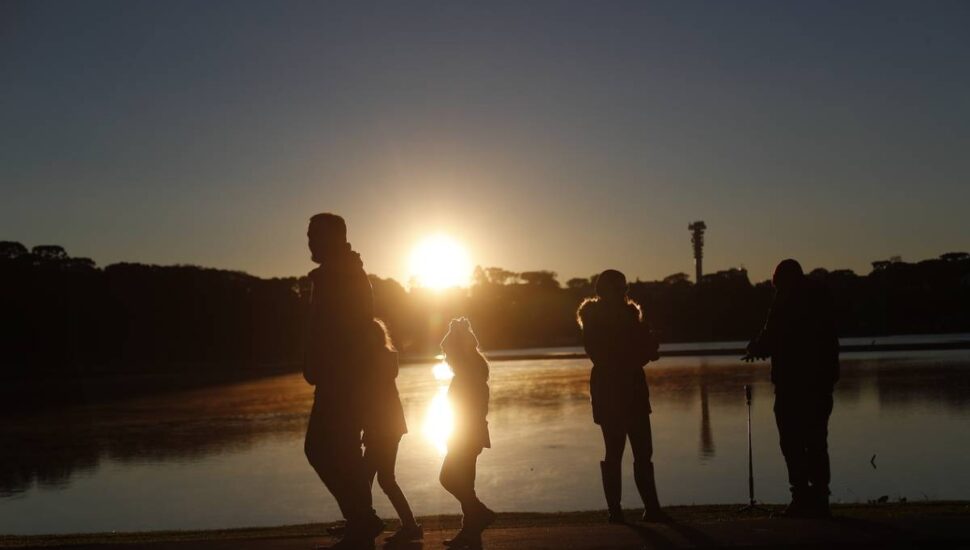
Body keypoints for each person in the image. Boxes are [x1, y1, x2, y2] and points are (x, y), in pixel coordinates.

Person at [302, 213, 384, 549]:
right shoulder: (339, 274)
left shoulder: (343, 276)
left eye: (314, 235)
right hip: (339, 380)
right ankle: (362, 518)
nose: (308, 241)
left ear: (334, 238)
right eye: (308, 235)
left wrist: (327, 366)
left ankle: (362, 520)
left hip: (343, 382)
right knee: (337, 451)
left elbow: (349, 331)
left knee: (323, 450)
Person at [745, 259, 840, 518]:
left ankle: (801, 497)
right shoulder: (820, 298)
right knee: (816, 441)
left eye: (777, 284)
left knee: (792, 442)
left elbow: (774, 335)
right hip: (820, 383)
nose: (776, 289)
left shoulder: (786, 301)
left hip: (793, 384)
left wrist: (756, 348)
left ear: (783, 281)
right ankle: (820, 498)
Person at [577, 269, 669, 524]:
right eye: (619, 288)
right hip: (610, 390)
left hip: (633, 389)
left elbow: (636, 354)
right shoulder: (594, 320)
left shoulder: (631, 318)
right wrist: (642, 350)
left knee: (643, 451)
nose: (624, 293)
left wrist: (649, 349)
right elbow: (603, 356)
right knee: (614, 451)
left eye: (625, 288)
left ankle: (652, 509)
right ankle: (615, 511)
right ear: (604, 291)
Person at [361, 319, 422, 542]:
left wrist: (368, 428)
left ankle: (363, 523)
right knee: (381, 478)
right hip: (390, 425)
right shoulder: (386, 358)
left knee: (372, 478)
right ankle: (406, 525)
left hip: (382, 427)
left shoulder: (373, 361)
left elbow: (372, 398)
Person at [438, 317, 496, 549]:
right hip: (469, 435)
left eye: (448, 354)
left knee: (447, 478)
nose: (447, 359)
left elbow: (470, 410)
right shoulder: (470, 374)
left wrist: (459, 435)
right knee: (464, 483)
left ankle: (480, 513)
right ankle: (471, 532)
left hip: (467, 436)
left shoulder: (468, 378)